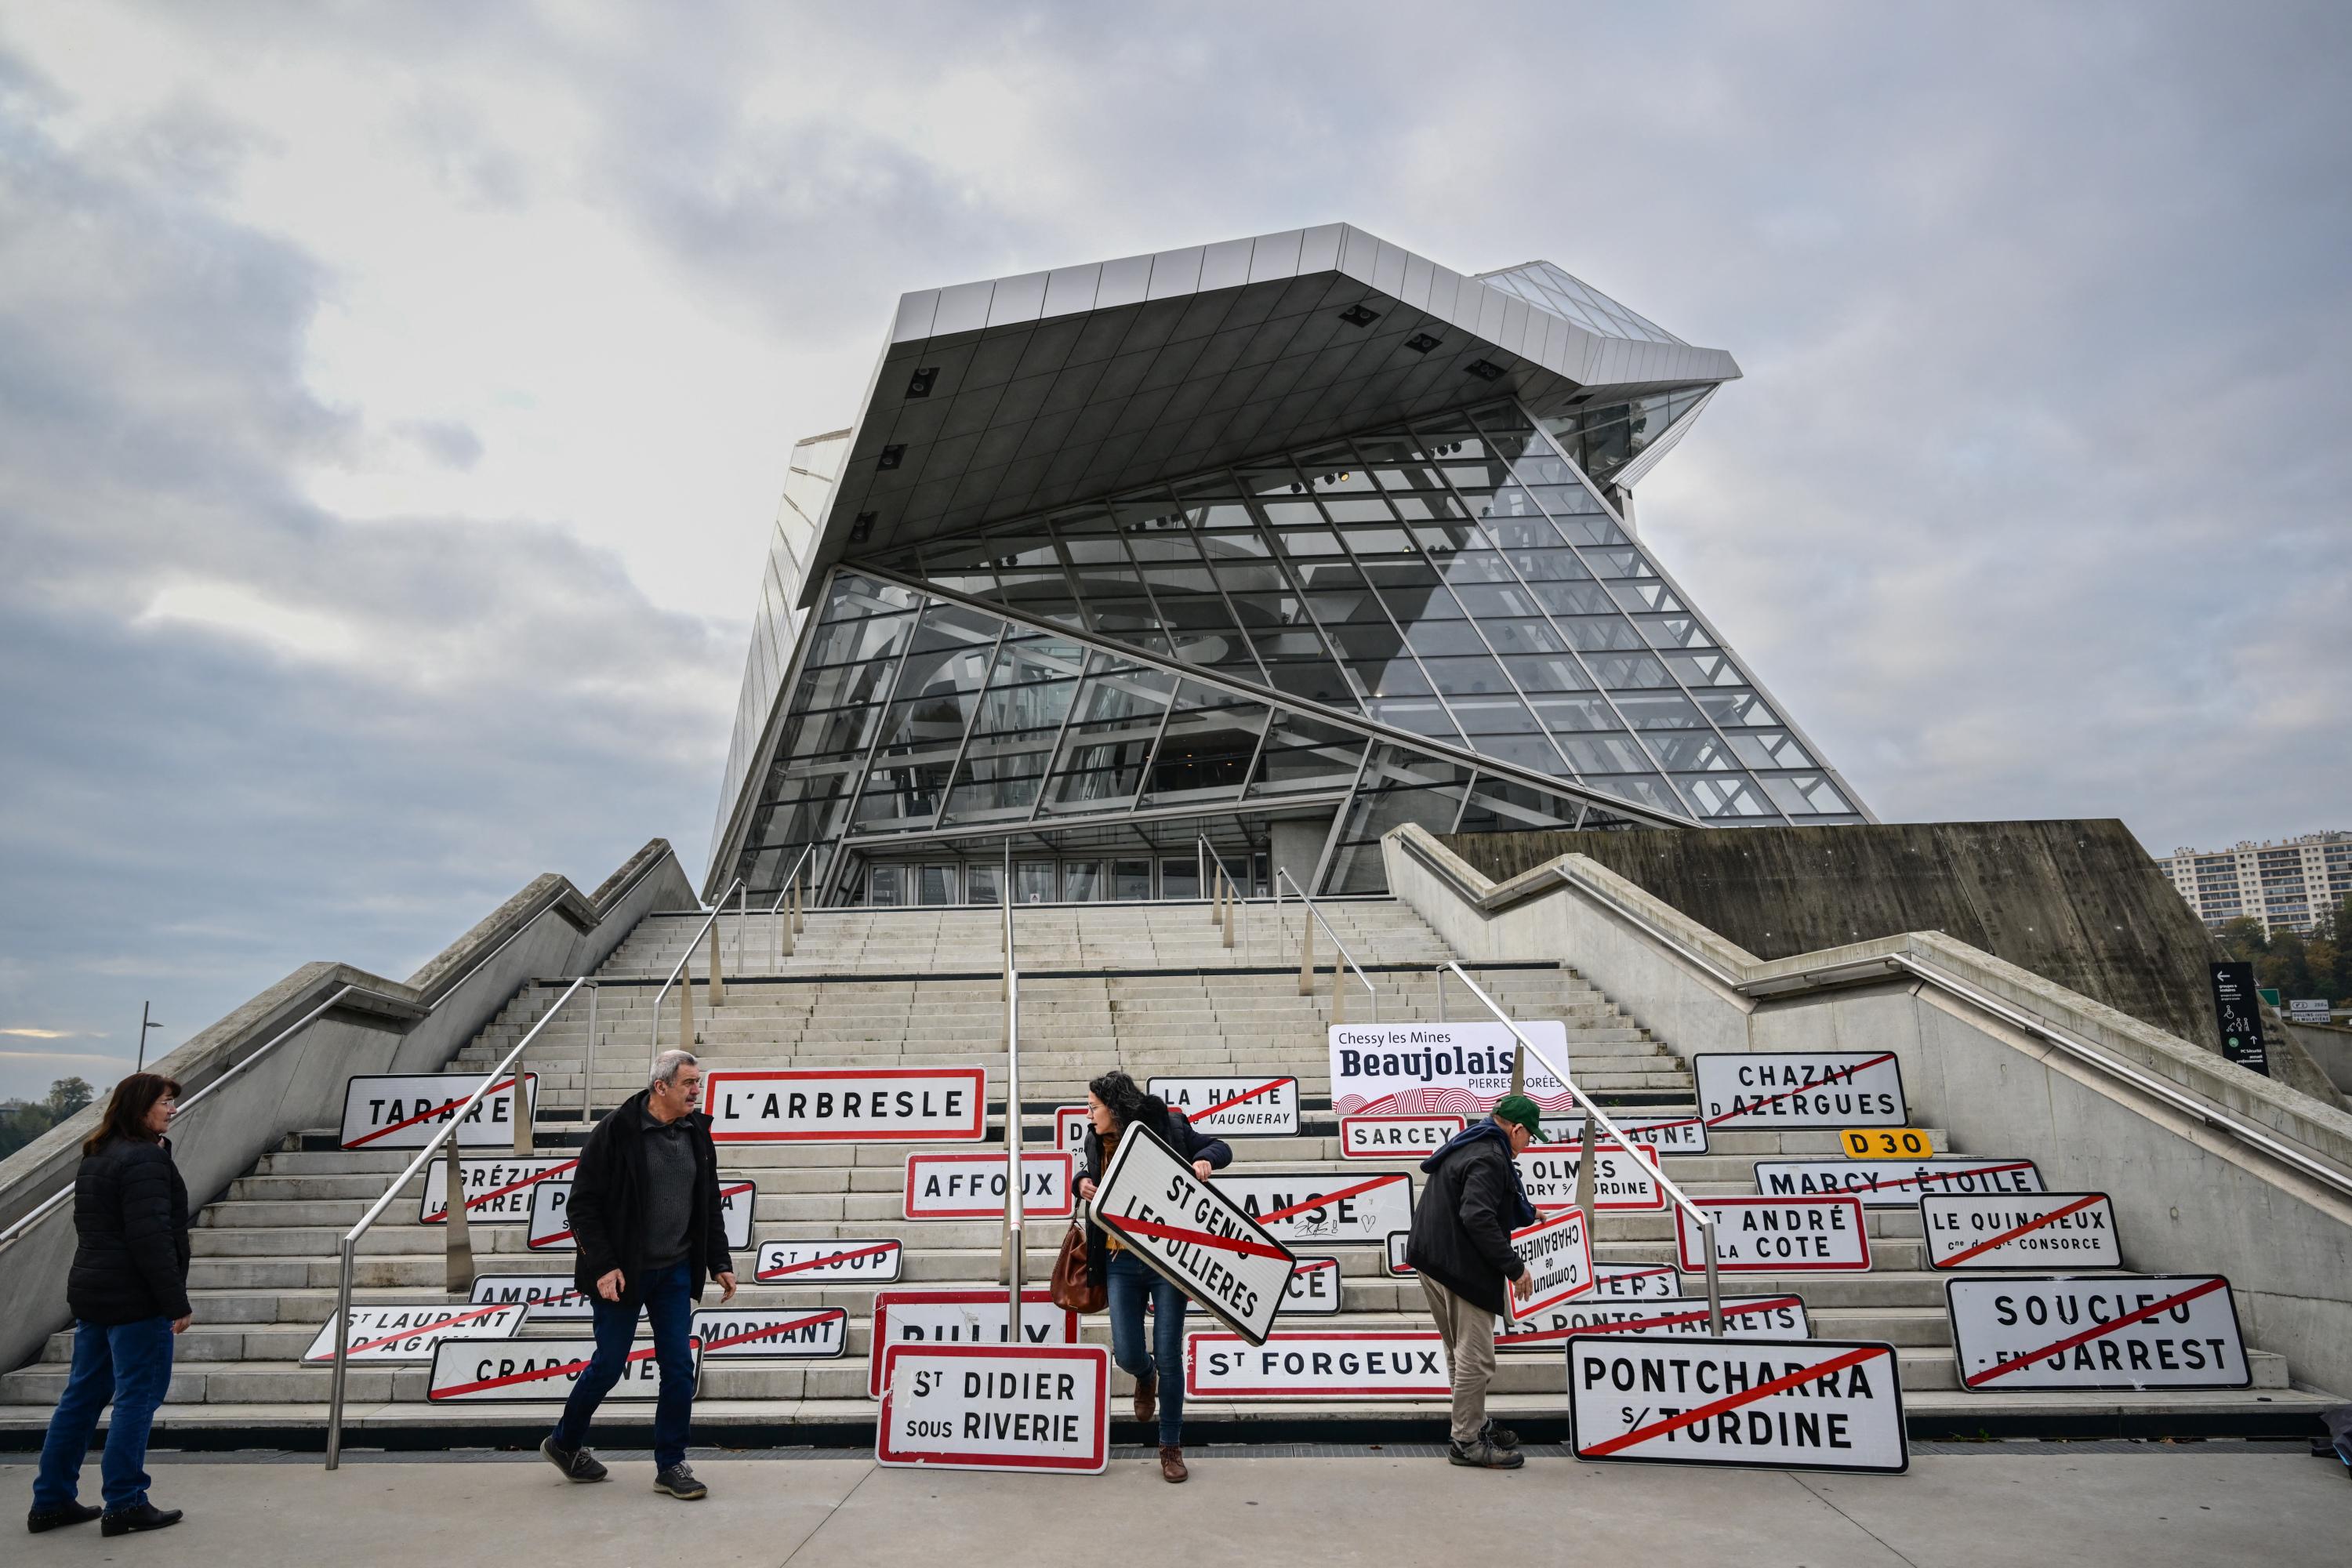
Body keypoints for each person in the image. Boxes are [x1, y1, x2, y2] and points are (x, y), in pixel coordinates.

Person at [541, 1048, 736, 1499]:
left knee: (678, 1369)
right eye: (688, 1083)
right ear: (660, 1086)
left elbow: (709, 1203)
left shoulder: (696, 1133)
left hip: (673, 1272)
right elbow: (582, 1206)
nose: (696, 1090)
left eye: (698, 1082)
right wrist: (604, 1265)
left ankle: (672, 1464)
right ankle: (564, 1442)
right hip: (623, 1274)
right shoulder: (616, 1131)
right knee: (609, 1365)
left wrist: (719, 1262)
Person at [30, 1073, 191, 1537]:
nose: (172, 1110)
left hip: (95, 1291)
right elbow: (151, 1238)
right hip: (135, 1297)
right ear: (141, 1107)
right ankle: (124, 1502)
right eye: (165, 1102)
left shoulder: (100, 1153)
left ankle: (52, 1499)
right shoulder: (143, 1159)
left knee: (81, 1397)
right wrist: (174, 1301)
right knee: (137, 1397)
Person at [1073, 1069, 1232, 1483]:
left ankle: (1170, 1445)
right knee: (1126, 1352)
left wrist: (1203, 1160)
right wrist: (1082, 1183)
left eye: (1094, 1107)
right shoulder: (1094, 1139)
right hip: (1118, 1259)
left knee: (1169, 1355)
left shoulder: (1170, 1126)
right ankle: (1144, 1378)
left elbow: (1220, 1147)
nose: (1089, 1115)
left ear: (1115, 1108)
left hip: (1168, 1263)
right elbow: (1082, 1174)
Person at [1406, 1093, 1543, 1470]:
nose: (1528, 1145)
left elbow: (1480, 1199)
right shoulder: (1489, 1155)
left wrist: (1529, 1213)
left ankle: (1473, 1423)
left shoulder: (1471, 1141)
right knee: (1477, 1357)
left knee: (1458, 1351)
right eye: (1529, 1136)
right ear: (1515, 1129)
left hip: (1431, 1258)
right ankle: (1466, 1441)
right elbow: (1478, 1216)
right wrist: (1516, 1268)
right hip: (1459, 1266)